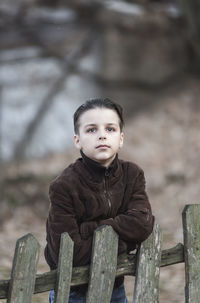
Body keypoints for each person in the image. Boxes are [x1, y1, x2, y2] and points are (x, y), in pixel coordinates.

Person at [45, 98, 154, 303]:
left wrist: (88, 230)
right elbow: (71, 254)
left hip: (115, 288)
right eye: (91, 130)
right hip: (72, 291)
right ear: (77, 140)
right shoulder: (64, 186)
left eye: (110, 129)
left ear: (121, 138)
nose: (102, 135)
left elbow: (142, 224)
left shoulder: (132, 175)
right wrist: (125, 238)